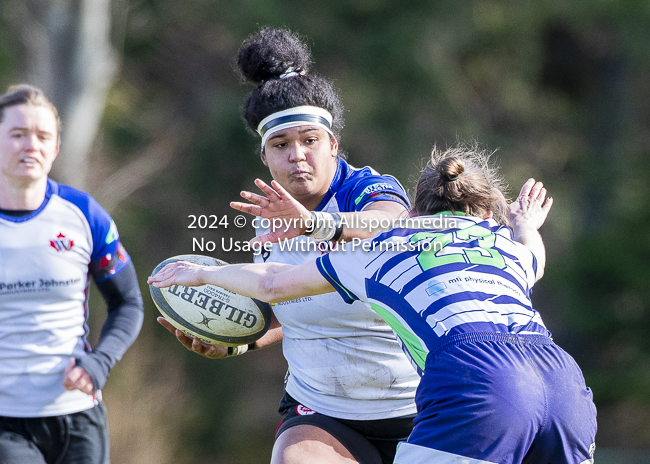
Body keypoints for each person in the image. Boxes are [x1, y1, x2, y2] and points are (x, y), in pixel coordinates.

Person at [150, 143, 598, 464]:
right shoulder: (501, 241)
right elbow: (534, 254)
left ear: (414, 213)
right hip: (564, 382)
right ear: (483, 211)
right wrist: (525, 221)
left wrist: (201, 272)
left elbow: (271, 283)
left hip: (476, 379)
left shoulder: (385, 246)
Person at [157, 27, 421, 464]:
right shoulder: (270, 215)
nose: (296, 155)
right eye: (281, 145)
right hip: (322, 409)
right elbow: (290, 300)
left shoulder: (365, 189)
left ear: (333, 145)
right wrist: (238, 339)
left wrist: (316, 224)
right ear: (264, 156)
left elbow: (390, 224)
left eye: (309, 141)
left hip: (415, 406)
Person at [0, 84, 144, 464]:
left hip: (79, 415)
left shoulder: (84, 214)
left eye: (43, 136)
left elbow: (128, 302)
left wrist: (100, 362)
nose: (31, 145)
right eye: (18, 134)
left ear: (56, 148)